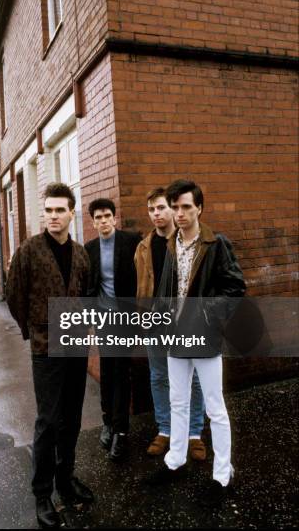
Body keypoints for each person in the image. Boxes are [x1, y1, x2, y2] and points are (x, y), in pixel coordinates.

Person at [147, 179, 246, 504]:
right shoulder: (172, 243)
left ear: (199, 208)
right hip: (175, 339)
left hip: (203, 338)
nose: (179, 213)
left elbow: (235, 288)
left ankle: (222, 475)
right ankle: (175, 460)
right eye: (175, 207)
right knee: (177, 402)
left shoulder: (216, 244)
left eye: (186, 206)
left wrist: (207, 317)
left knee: (215, 409)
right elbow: (166, 291)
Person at [6, 183, 93, 529]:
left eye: (60, 210)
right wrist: (33, 331)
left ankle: (65, 480)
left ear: (72, 212)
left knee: (71, 418)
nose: (53, 216)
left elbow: (86, 296)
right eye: (49, 210)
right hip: (46, 347)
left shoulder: (82, 254)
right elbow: (14, 295)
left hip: (75, 345)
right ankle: (42, 494)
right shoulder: (28, 251)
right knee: (48, 421)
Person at [134, 187, 206, 460]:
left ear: (173, 209)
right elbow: (140, 286)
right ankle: (165, 429)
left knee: (195, 379)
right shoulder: (142, 247)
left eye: (161, 207)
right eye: (151, 209)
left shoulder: (189, 242)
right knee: (160, 376)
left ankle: (194, 433)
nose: (156, 214)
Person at [85, 198, 141, 461]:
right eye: (98, 217)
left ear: (114, 218)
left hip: (126, 320)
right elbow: (89, 287)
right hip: (104, 321)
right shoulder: (90, 248)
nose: (103, 221)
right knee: (107, 373)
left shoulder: (131, 242)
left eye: (107, 215)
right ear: (93, 221)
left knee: (121, 373)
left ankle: (121, 431)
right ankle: (108, 422)